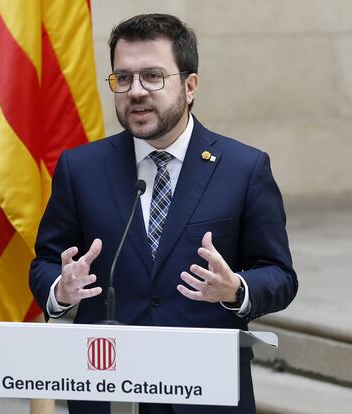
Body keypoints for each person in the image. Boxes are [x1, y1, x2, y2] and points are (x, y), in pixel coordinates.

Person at [30, 13, 298, 414]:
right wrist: (59, 289)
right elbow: (46, 263)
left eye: (153, 76)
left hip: (206, 393)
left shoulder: (243, 168)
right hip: (108, 388)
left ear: (190, 86)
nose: (135, 91)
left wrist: (236, 289)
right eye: (123, 78)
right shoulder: (81, 168)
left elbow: (279, 275)